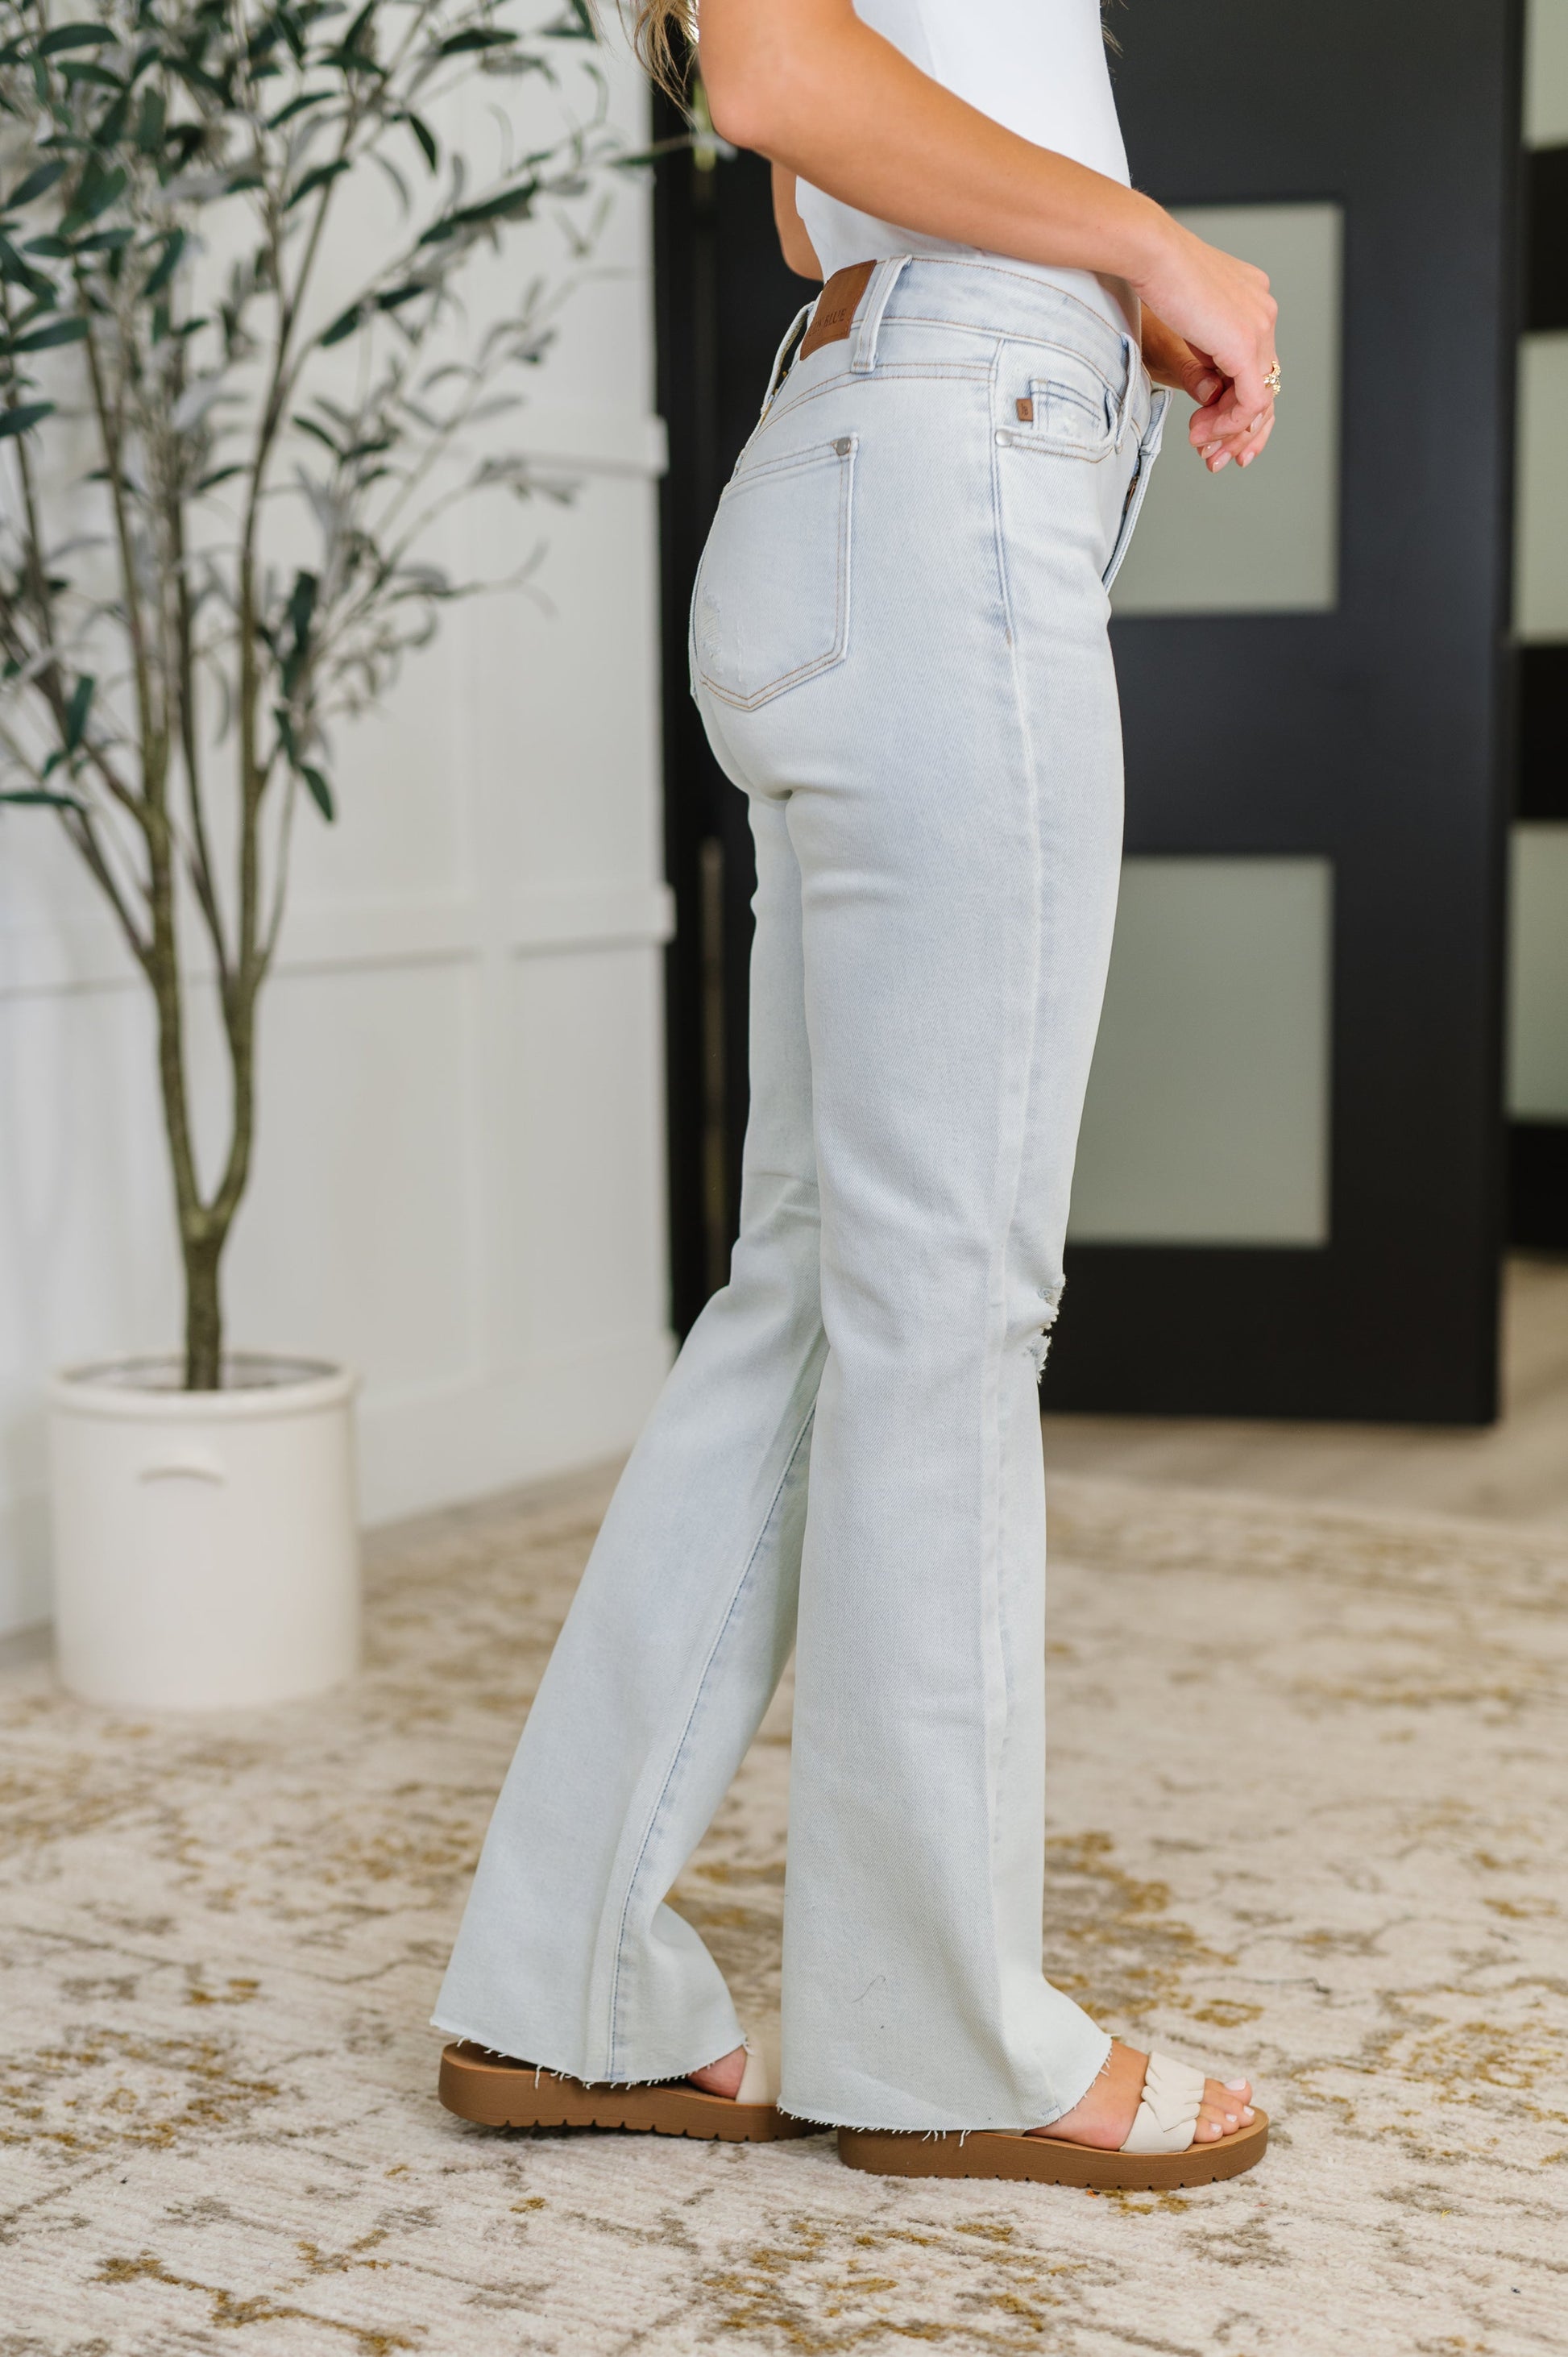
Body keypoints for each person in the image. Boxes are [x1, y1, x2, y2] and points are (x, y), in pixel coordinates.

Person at [433, 0, 1277, 2190]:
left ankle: (566, 1987)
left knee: (813, 1290)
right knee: (938, 1297)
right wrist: (1149, 248)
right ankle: (937, 2035)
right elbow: (782, 86)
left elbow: (822, 156)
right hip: (944, 466)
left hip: (873, 454)